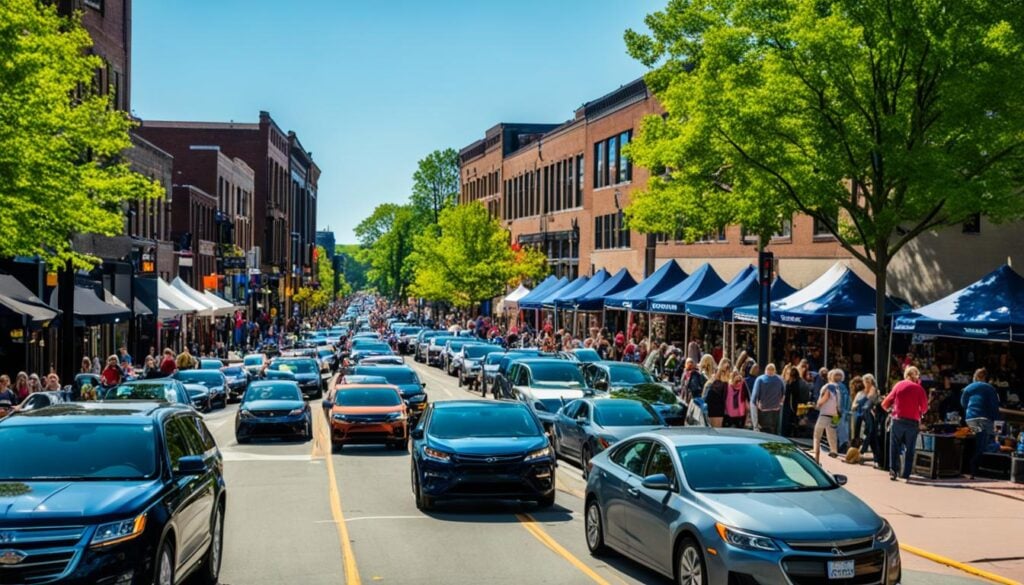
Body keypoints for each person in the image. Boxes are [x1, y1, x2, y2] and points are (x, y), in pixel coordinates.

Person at [882, 366, 929, 481]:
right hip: (912, 422)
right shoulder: (919, 388)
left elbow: (885, 403)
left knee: (894, 446)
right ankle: (906, 474)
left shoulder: (898, 385)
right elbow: (924, 408)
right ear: (916, 376)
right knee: (910, 448)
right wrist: (918, 411)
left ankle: (893, 470)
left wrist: (891, 410)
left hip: (897, 420)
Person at [961, 368, 1001, 479]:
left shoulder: (968, 388)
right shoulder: (990, 389)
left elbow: (963, 403)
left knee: (972, 441)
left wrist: (969, 412)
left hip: (970, 418)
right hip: (984, 419)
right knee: (981, 444)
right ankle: (974, 469)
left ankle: (966, 468)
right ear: (985, 378)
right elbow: (995, 409)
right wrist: (998, 429)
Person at [813, 369, 842, 463]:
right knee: (832, 432)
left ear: (829, 377)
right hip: (835, 414)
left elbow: (826, 397)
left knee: (817, 433)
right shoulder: (838, 388)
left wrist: (818, 404)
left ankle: (815, 451)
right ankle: (834, 450)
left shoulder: (829, 386)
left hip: (825, 413)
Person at [750, 364, 785, 434]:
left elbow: (754, 398)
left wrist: (755, 425)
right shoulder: (780, 379)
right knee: (774, 431)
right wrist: (779, 404)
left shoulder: (760, 379)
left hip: (763, 411)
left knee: (764, 432)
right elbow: (783, 394)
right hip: (776, 410)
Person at [705, 362, 730, 428]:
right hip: (716, 410)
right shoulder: (718, 385)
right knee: (716, 430)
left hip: (717, 410)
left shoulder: (715, 383)